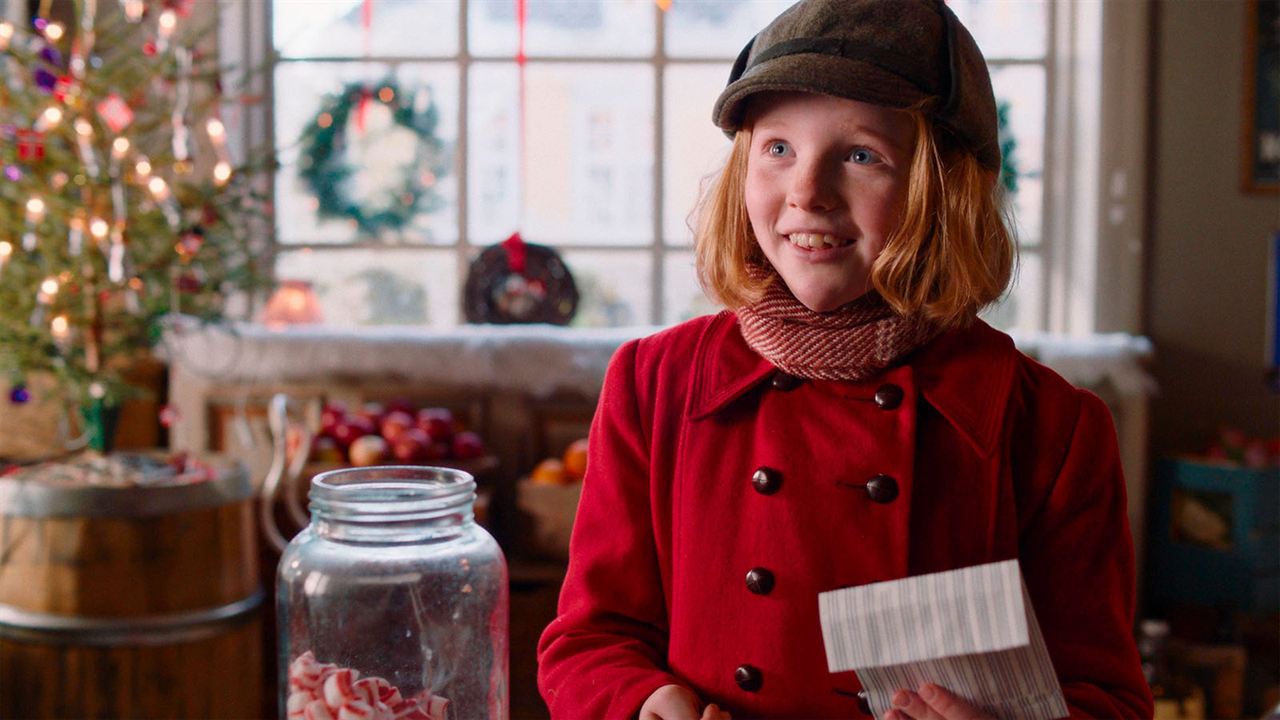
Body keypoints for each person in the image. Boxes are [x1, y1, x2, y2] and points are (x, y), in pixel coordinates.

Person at [537, 1, 1154, 718]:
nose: (806, 192)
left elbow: (1109, 698)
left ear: (946, 191)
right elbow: (589, 639)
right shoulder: (655, 383)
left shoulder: (1053, 428)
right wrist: (646, 703)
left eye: (861, 156)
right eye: (778, 149)